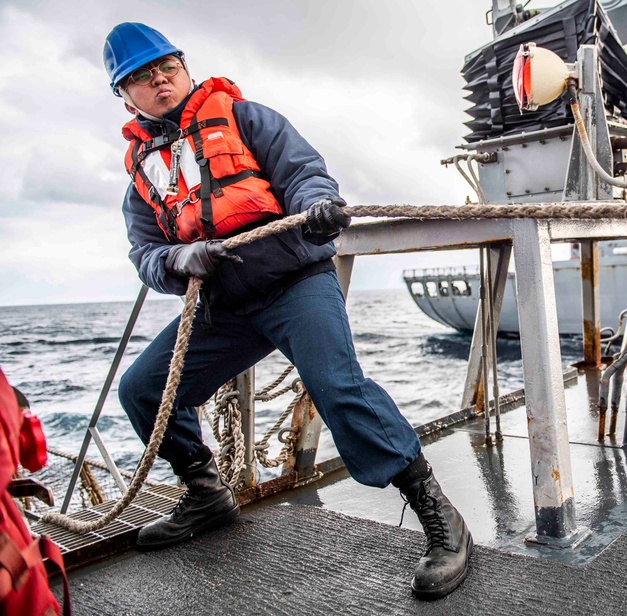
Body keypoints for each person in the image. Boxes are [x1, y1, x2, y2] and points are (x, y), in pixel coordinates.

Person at [103, 23, 472, 600]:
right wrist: (179, 258)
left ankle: (440, 517)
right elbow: (145, 255)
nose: (158, 82)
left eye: (166, 69)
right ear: (124, 97)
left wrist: (318, 206)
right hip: (226, 304)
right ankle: (206, 496)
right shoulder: (140, 178)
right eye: (141, 79)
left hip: (295, 281)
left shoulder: (245, 117)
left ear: (182, 67)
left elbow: (303, 172)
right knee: (143, 389)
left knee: (336, 386)